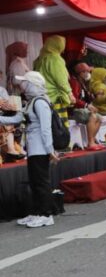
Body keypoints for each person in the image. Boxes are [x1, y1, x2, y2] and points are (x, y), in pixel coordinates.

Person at [11, 72, 58, 228]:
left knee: (41, 182)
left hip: (40, 149)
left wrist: (50, 150)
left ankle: (46, 215)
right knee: (35, 181)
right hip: (33, 148)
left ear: (32, 84)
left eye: (25, 82)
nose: (22, 85)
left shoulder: (40, 102)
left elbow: (46, 129)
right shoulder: (31, 102)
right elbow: (17, 119)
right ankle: (37, 212)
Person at [33, 35, 74, 130]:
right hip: (55, 98)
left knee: (47, 125)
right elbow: (61, 80)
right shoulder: (55, 58)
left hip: (42, 97)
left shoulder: (39, 59)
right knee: (59, 127)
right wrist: (70, 93)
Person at [68, 62, 102, 149]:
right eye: (86, 71)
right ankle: (90, 143)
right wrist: (87, 105)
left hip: (81, 109)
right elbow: (74, 100)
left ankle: (92, 140)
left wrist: (94, 96)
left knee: (99, 118)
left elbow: (86, 97)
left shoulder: (82, 82)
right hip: (74, 110)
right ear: (80, 73)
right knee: (93, 117)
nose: (88, 73)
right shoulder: (74, 82)